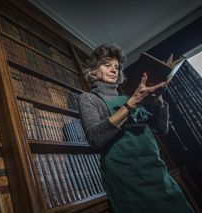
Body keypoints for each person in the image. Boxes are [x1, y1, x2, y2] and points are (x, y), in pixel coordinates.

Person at [78, 44, 194, 213]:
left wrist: (159, 101)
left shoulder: (129, 96)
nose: (113, 70)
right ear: (94, 70)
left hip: (157, 171)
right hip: (127, 177)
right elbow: (95, 138)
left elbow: (161, 129)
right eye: (107, 65)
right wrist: (133, 103)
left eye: (116, 67)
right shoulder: (89, 98)